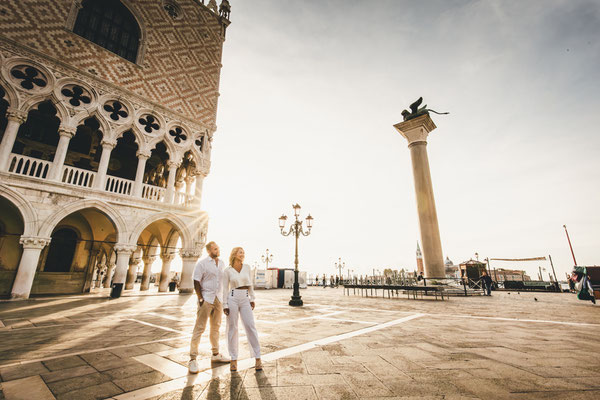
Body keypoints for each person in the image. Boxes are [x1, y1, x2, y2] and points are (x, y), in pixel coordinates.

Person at [188, 242, 230, 374]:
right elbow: (196, 281)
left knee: (216, 327)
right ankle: (193, 358)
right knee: (200, 327)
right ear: (209, 251)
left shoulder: (222, 263)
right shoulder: (202, 263)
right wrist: (200, 298)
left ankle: (216, 354)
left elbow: (223, 282)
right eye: (215, 248)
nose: (218, 250)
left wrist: (225, 301)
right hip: (206, 298)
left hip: (218, 299)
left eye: (218, 248)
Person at [223, 247, 262, 372]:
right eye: (240, 252)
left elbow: (250, 284)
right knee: (232, 328)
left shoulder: (247, 267)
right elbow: (225, 288)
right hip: (232, 298)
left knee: (250, 326)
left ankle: (258, 357)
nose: (243, 254)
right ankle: (233, 359)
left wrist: (252, 298)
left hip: (245, 298)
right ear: (234, 254)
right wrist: (225, 304)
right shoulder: (227, 270)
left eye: (244, 253)